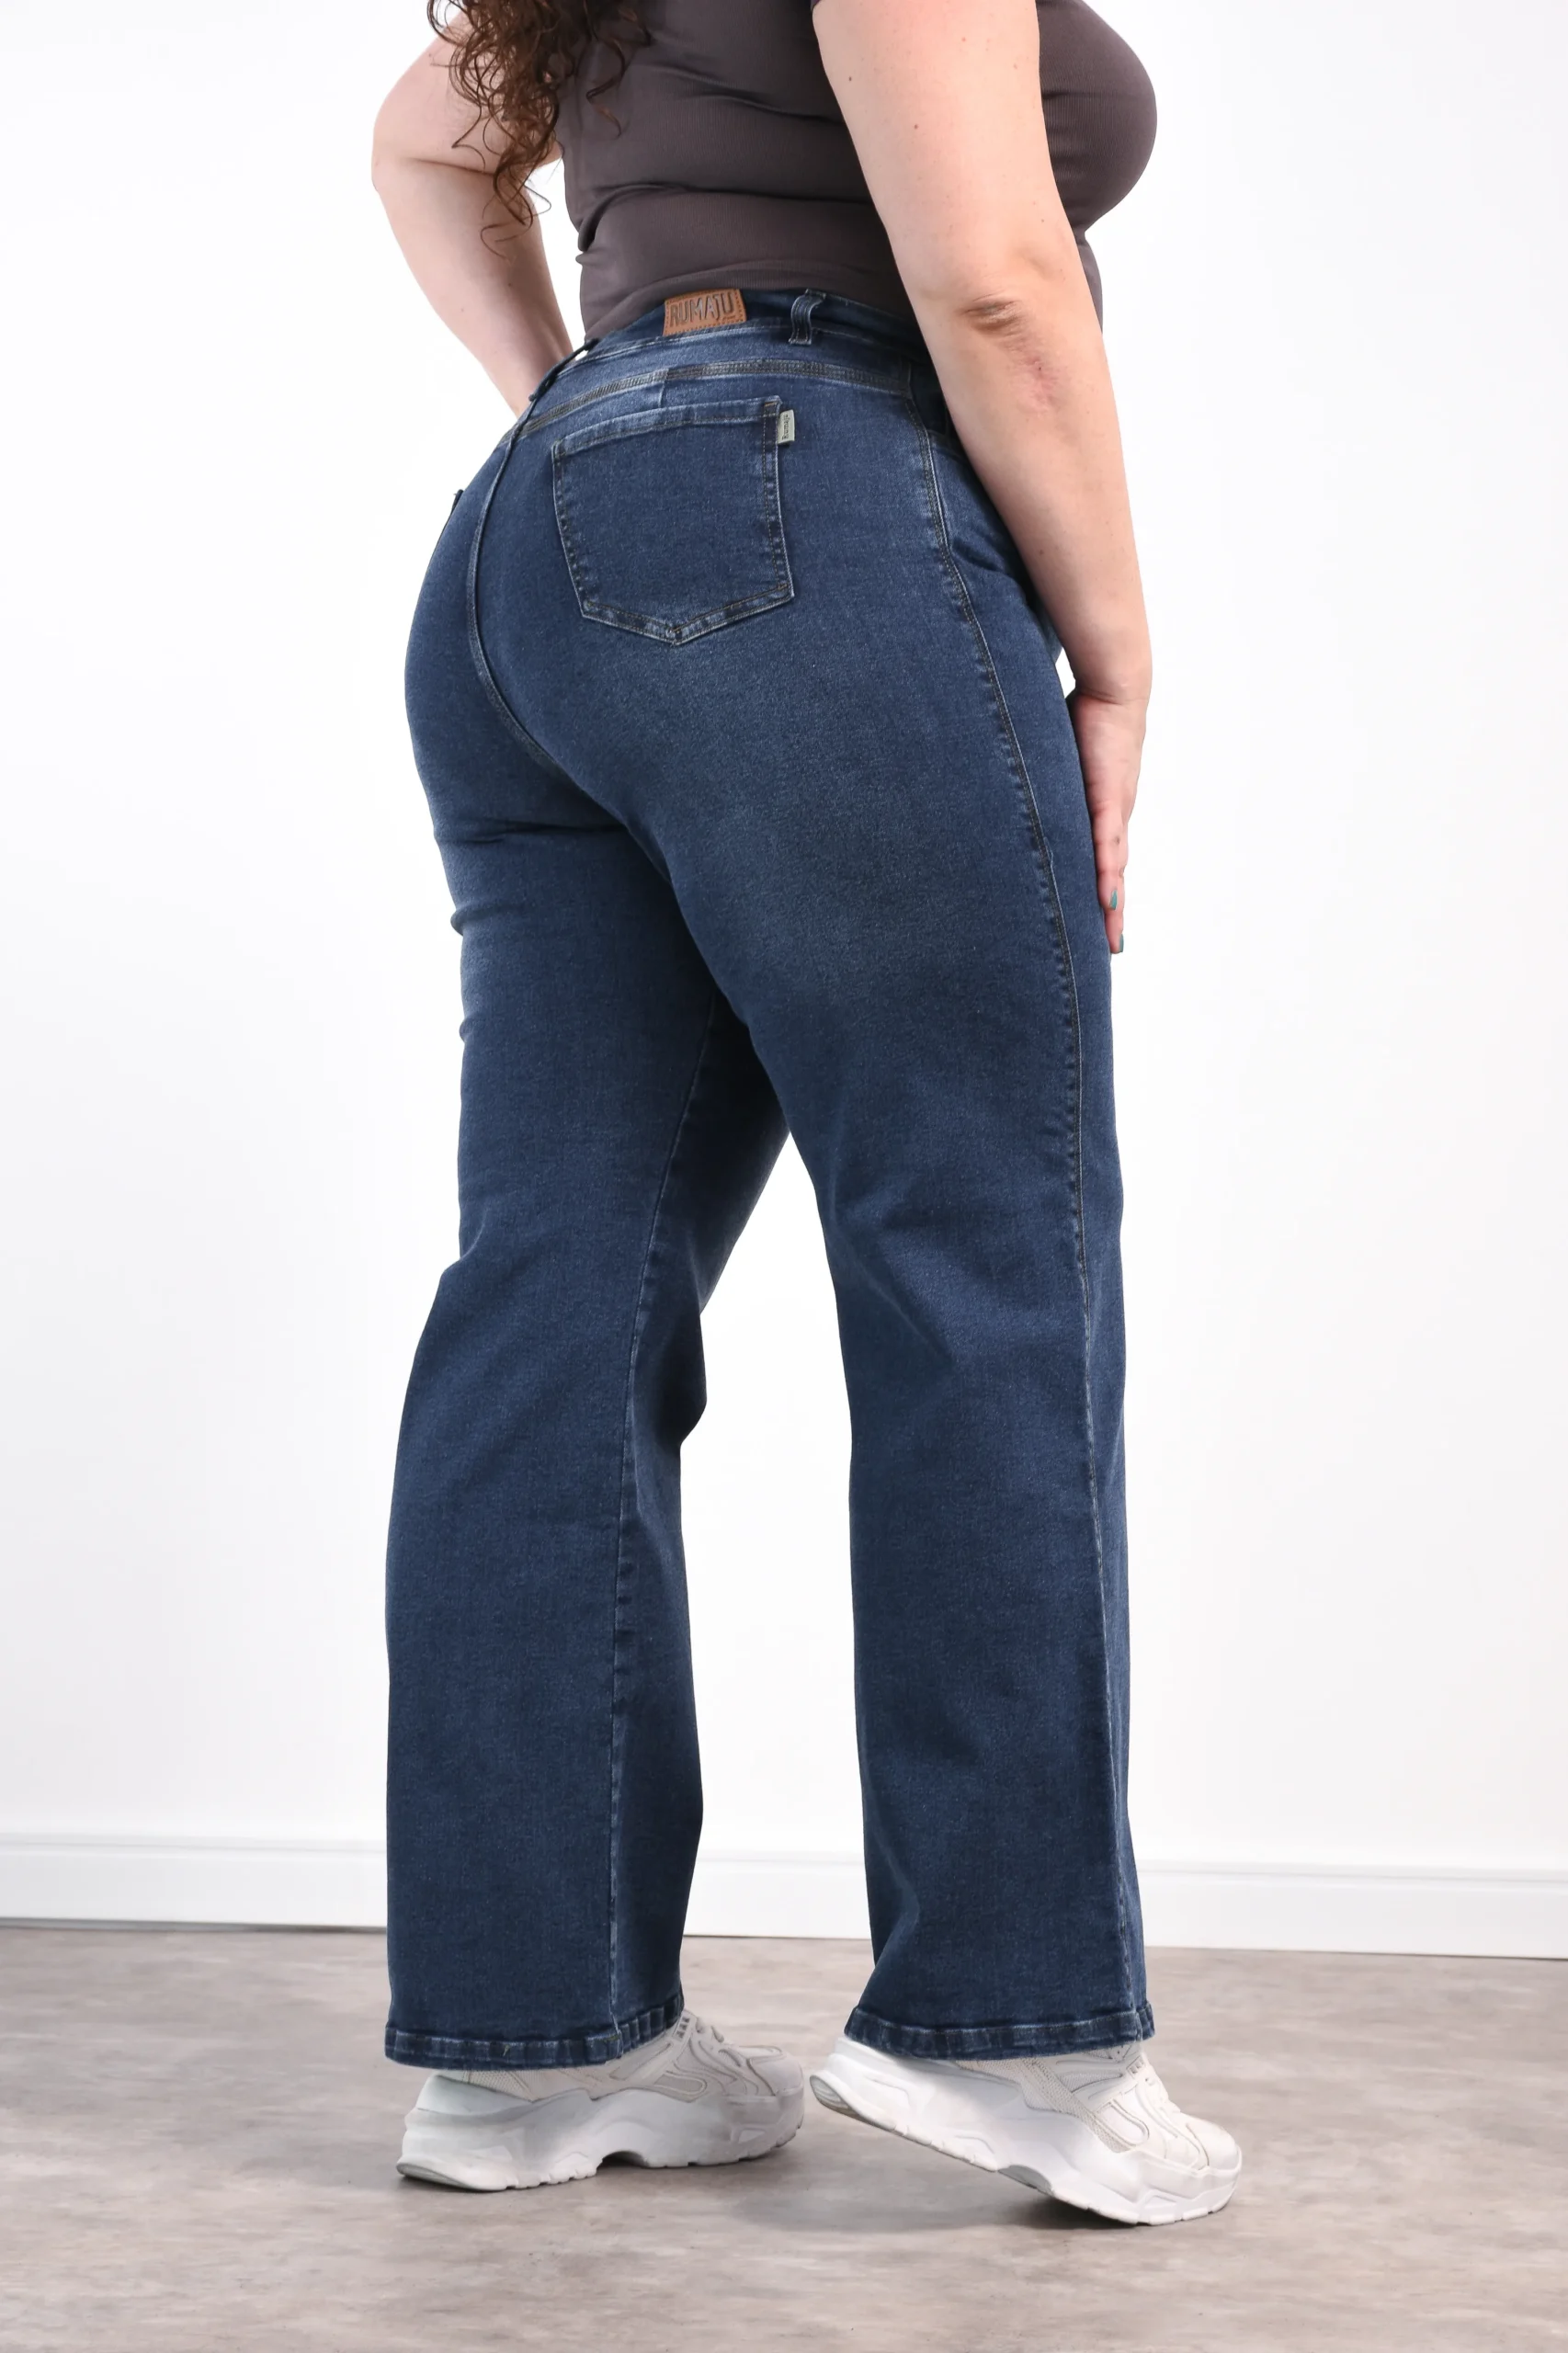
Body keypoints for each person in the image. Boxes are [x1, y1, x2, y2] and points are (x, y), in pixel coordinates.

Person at [370, 0, 1241, 2226]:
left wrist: (576, 403)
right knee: (981, 1241)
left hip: (529, 563)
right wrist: (1118, 648)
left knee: (554, 1282)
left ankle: (534, 2043)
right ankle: (1015, 2024)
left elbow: (420, 144)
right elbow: (992, 280)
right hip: (808, 511)